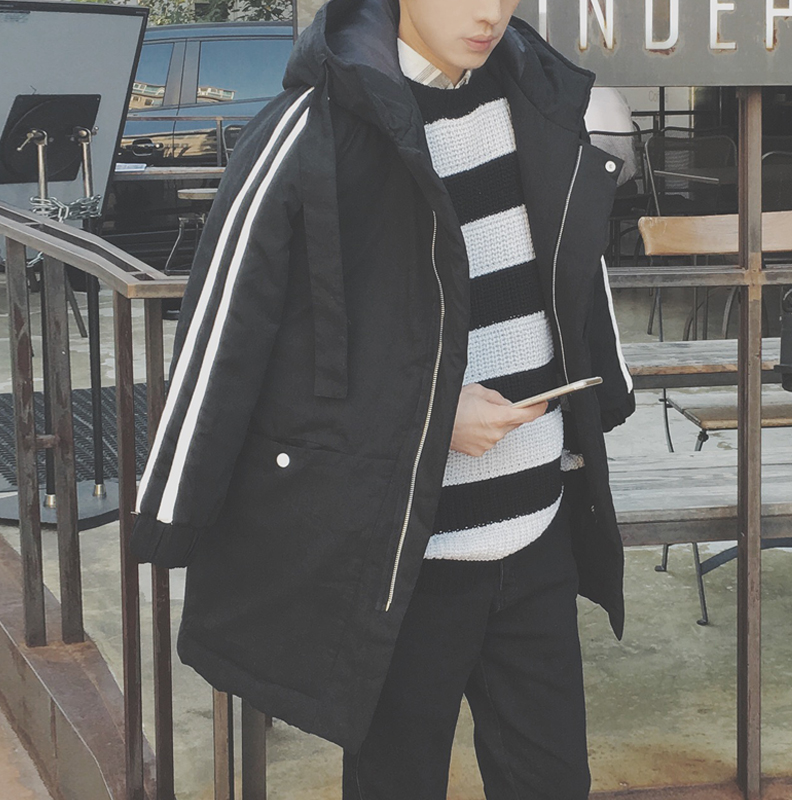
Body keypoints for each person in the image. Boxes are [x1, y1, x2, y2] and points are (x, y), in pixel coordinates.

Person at [130, 0, 636, 797]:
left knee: (553, 779)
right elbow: (231, 336)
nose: (490, 12)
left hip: (538, 533)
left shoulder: (541, 102)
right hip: (405, 562)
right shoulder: (312, 130)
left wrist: (606, 392)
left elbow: (573, 271)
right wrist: (431, 420)